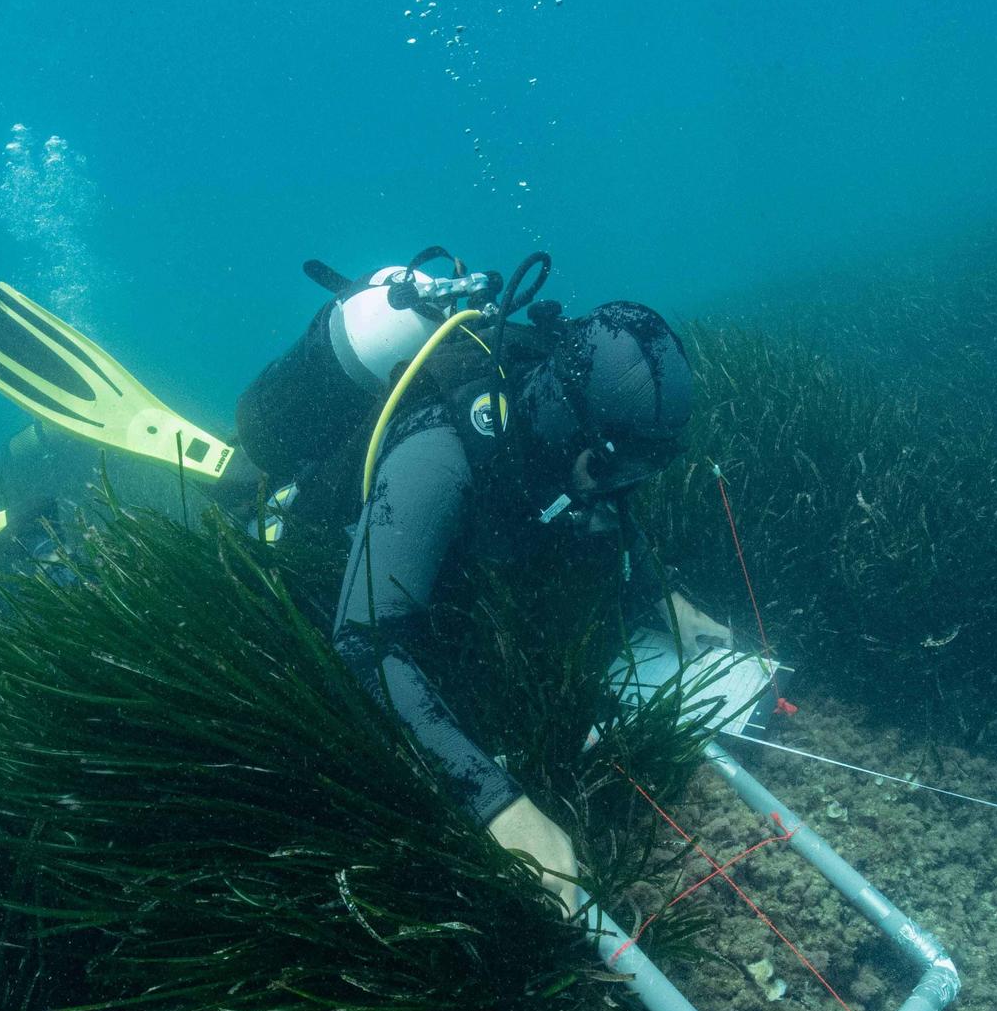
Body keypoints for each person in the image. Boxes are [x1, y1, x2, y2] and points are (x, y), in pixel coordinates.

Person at [236, 253, 730, 915]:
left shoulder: (562, 425)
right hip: (316, 536)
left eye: (649, 463)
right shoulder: (439, 457)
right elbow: (362, 644)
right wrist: (500, 807)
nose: (625, 486)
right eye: (615, 463)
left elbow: (610, 507)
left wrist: (657, 594)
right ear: (564, 421)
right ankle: (248, 501)